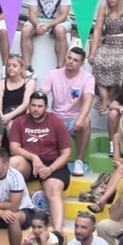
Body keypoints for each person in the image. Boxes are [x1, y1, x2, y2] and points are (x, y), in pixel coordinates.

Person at [8, 91, 72, 237]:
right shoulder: (19, 122)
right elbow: (14, 148)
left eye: (40, 106)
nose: (36, 109)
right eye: (33, 105)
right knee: (12, 163)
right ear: (29, 106)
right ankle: (7, 212)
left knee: (54, 189)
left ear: (46, 107)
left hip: (52, 163)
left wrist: (50, 169)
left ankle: (58, 232)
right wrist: (34, 157)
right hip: (29, 161)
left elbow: (66, 153)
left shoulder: (56, 122)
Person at [40, 47, 95, 177]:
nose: (71, 61)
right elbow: (42, 93)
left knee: (86, 121)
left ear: (81, 64)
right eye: (69, 58)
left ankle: (79, 161)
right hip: (55, 118)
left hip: (74, 119)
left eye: (75, 60)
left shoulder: (87, 78)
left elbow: (88, 101)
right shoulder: (53, 74)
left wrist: (80, 119)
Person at [21, 0, 72, 76]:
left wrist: (48, 26)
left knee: (59, 30)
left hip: (59, 20)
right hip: (40, 20)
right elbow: (32, 13)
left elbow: (64, 15)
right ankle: (27, 67)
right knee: (25, 30)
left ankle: (60, 68)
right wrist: (37, 24)